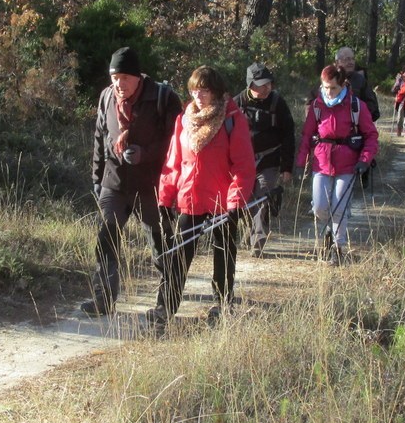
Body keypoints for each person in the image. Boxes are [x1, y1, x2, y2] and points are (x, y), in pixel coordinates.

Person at [149, 66, 256, 327]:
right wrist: (164, 199)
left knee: (224, 255)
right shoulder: (183, 121)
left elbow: (243, 165)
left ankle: (222, 304)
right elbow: (174, 163)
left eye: (204, 91)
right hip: (191, 198)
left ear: (216, 92)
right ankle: (166, 307)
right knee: (179, 256)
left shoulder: (232, 118)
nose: (198, 96)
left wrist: (235, 202)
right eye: (194, 90)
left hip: (223, 203)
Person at [81, 47, 182, 317]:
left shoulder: (163, 97)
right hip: (114, 184)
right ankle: (103, 301)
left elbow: (178, 142)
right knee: (106, 239)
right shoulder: (106, 97)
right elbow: (100, 139)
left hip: (151, 187)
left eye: (125, 77)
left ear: (138, 77)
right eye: (115, 76)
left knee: (161, 246)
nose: (119, 83)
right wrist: (96, 177)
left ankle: (166, 304)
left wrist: (145, 154)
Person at [295, 65, 379, 265]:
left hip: (348, 165)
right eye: (324, 87)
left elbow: (371, 136)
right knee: (319, 208)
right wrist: (301, 161)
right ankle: (328, 235)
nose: (328, 92)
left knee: (340, 208)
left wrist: (364, 160)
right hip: (321, 163)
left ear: (342, 85)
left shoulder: (356, 106)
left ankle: (338, 249)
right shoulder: (317, 105)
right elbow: (307, 135)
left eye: (332, 88)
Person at [233, 62, 296, 258]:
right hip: (242, 162)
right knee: (243, 200)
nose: (267, 88)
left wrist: (287, 167)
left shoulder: (278, 103)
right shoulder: (236, 104)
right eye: (261, 84)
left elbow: (288, 135)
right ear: (250, 85)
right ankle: (250, 230)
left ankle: (257, 242)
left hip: (269, 160)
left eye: (269, 83)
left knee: (262, 198)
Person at [334, 46, 381, 122]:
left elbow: (372, 107)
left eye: (353, 59)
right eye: (347, 59)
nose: (351, 62)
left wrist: (359, 119)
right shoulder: (329, 78)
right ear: (337, 62)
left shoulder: (360, 80)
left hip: (356, 129)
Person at [391, 65, 405, 136]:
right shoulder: (400, 79)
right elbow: (393, 90)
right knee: (400, 117)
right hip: (401, 101)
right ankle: (399, 131)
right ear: (403, 73)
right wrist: (397, 82)